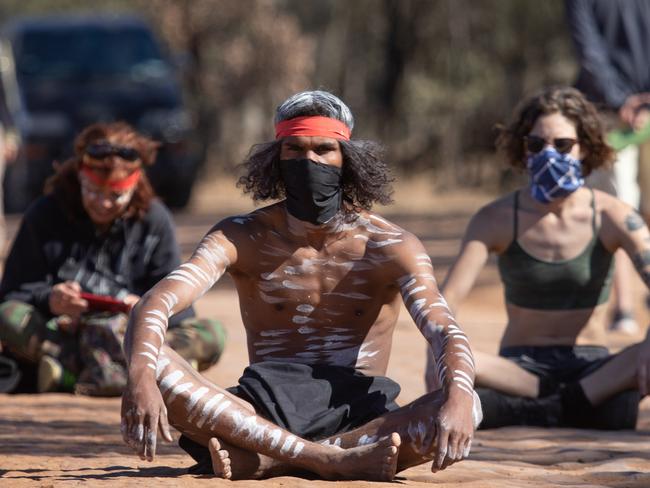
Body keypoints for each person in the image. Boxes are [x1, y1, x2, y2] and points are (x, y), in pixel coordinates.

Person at [120, 90, 482, 481]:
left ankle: (275, 458)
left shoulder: (390, 246)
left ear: (348, 160)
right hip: (261, 409)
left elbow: (443, 328)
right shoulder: (241, 237)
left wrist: (458, 396)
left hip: (358, 417)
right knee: (149, 357)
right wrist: (139, 376)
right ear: (276, 160)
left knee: (469, 402)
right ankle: (324, 460)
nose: (309, 160)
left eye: (324, 149)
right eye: (294, 149)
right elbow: (153, 304)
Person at [426, 86, 650, 430]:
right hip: (519, 370)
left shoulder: (612, 215)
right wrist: (438, 357)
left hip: (593, 369)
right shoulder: (495, 218)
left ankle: (536, 409)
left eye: (562, 145)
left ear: (585, 148)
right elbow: (447, 302)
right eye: (536, 145)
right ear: (523, 150)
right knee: (456, 357)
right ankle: (577, 408)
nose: (549, 155)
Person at [0, 122, 226, 395]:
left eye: (116, 195)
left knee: (212, 334)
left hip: (131, 339)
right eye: (93, 191)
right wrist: (50, 299)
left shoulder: (154, 220)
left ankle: (72, 375)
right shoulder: (45, 213)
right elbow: (13, 291)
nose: (103, 203)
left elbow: (179, 301)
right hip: (66, 335)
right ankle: (144, 375)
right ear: (79, 177)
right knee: (7, 316)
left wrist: (147, 307)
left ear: (135, 185)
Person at [565, 0, 650, 333]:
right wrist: (627, 101)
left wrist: (626, 100)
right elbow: (589, 49)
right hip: (611, 117)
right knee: (620, 208)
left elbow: (588, 52)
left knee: (616, 208)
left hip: (617, 109)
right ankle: (624, 306)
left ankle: (625, 309)